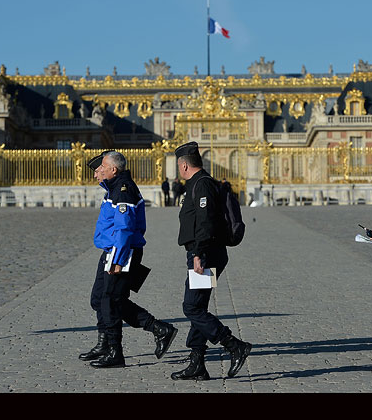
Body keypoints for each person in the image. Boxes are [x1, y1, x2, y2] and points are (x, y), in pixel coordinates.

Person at [79, 150, 177, 368]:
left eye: (101, 169)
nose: (97, 174)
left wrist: (118, 259)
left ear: (113, 170)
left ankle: (117, 350)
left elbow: (124, 229)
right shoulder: (113, 188)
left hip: (121, 251)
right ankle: (105, 343)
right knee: (99, 299)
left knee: (112, 301)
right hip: (111, 250)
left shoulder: (123, 191)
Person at [171, 141, 251, 380]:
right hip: (205, 251)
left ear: (184, 165)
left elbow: (205, 223)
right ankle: (198, 363)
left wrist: (198, 254)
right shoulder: (197, 183)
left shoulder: (202, 185)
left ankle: (234, 345)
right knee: (199, 307)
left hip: (205, 253)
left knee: (192, 307)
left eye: (178, 166)